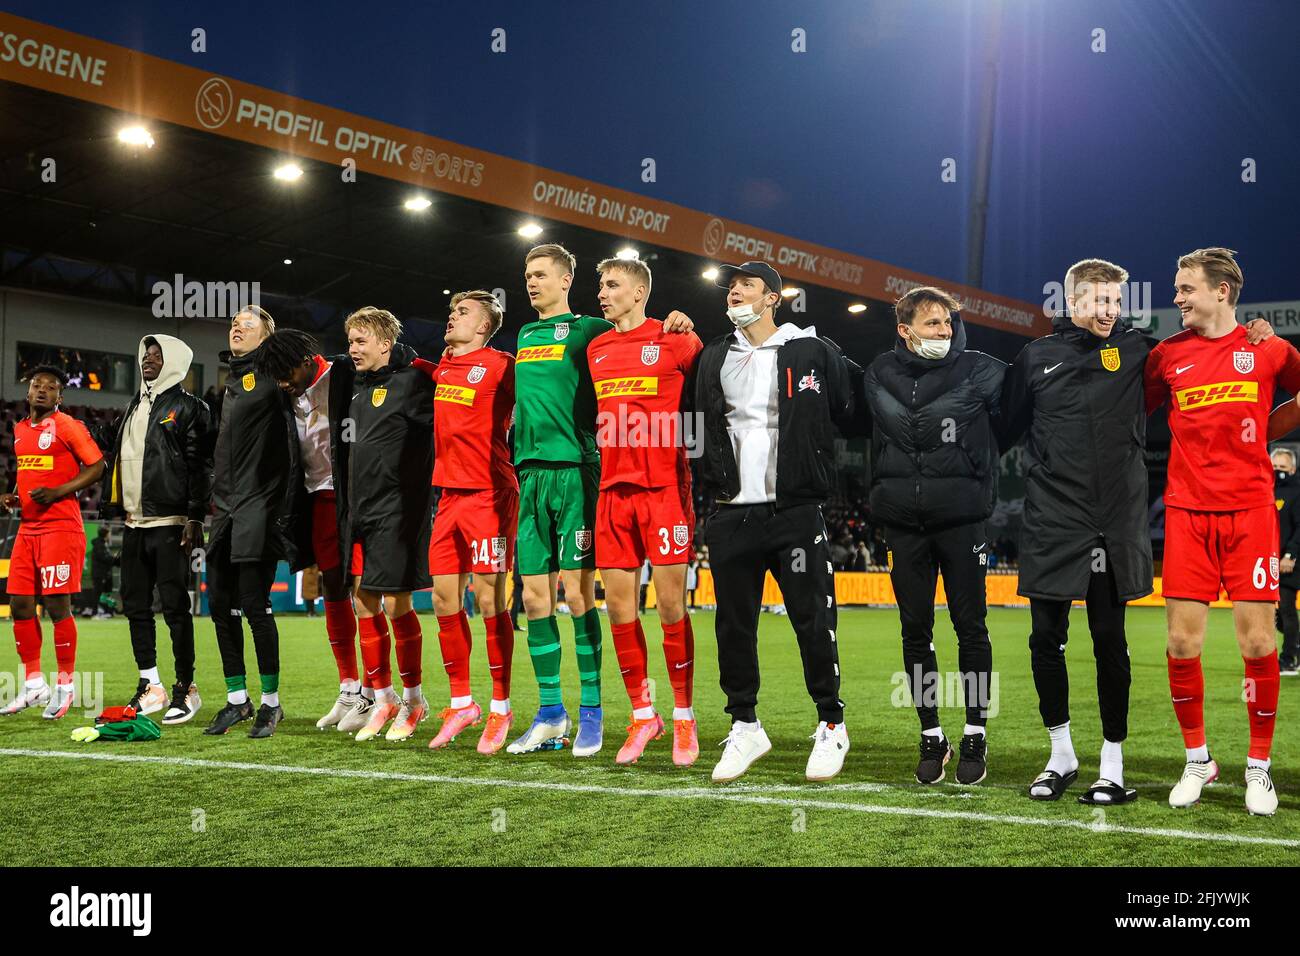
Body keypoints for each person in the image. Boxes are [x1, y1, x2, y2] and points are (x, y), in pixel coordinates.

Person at [1000, 257, 1272, 804]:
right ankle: (1060, 755)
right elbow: (1004, 426)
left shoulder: (1142, 350)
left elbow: (1207, 354)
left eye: (1116, 302)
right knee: (1044, 640)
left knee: (1109, 640)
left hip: (1112, 519)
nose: (1109, 311)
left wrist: (1255, 333)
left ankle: (1113, 764)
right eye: (1100, 301)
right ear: (1071, 301)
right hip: (1053, 518)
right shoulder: (1034, 357)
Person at [506, 243, 694, 755]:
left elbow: (665, 351)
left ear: (565, 281)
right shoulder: (524, 335)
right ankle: (550, 713)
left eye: (541, 274)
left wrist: (678, 319)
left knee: (580, 594)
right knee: (533, 597)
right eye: (527, 274)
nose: (531, 282)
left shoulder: (591, 330)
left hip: (583, 473)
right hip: (531, 475)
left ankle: (597, 711)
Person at [695, 260, 864, 783]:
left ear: (774, 298)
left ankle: (831, 723)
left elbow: (856, 411)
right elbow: (695, 423)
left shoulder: (811, 350)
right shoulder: (713, 355)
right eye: (731, 286)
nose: (734, 291)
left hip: (793, 510)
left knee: (813, 621)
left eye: (747, 285)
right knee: (733, 625)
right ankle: (745, 726)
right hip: (730, 512)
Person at [1148, 247, 1300, 816]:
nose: (1178, 297)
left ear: (1222, 292)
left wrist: (1261, 432)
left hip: (1252, 513)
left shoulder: (1268, 349)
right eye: (1177, 286)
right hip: (1187, 512)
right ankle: (1198, 761)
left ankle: (1258, 770)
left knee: (1258, 642)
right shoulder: (1166, 356)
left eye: (1186, 287)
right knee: (1182, 643)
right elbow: (1127, 411)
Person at [865, 286, 1002, 785]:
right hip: (903, 523)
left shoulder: (981, 368)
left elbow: (1017, 413)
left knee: (972, 628)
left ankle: (975, 733)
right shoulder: (880, 371)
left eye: (947, 323)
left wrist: (974, 465)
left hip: (963, 517)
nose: (944, 332)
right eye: (931, 324)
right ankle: (930, 734)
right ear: (905, 330)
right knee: (915, 632)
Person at [588, 256, 704, 766]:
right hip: (613, 492)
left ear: (639, 292)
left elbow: (713, 393)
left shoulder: (678, 341)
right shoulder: (596, 348)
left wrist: (687, 321)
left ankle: (683, 717)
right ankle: (642, 716)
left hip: (664, 491)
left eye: (612, 285)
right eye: (600, 285)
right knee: (618, 608)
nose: (603, 293)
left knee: (672, 606)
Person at [255, 327, 374, 733]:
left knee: (367, 590)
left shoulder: (345, 374)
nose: (282, 383)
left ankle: (378, 692)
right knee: (333, 588)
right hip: (315, 499)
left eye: (286, 373)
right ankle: (349, 687)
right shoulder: (285, 394)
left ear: (308, 362)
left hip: (356, 497)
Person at [98, 334, 211, 725]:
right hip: (133, 521)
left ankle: (186, 688)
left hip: (170, 521)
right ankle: (151, 684)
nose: (148, 360)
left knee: (176, 608)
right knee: (135, 605)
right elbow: (110, 446)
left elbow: (200, 465)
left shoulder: (190, 407)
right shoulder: (134, 404)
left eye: (157, 355)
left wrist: (195, 516)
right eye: (146, 354)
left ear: (176, 360)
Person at [425, 290, 519, 754]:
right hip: (448, 497)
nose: (452, 317)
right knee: (444, 598)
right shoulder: (442, 366)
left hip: (490, 494)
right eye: (451, 311)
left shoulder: (504, 365)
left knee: (488, 599)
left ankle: (500, 707)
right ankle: (462, 703)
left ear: (484, 325)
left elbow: (545, 389)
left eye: (462, 313)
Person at [203, 307, 301, 739]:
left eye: (248, 324)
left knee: (256, 608)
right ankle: (237, 700)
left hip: (258, 509)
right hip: (224, 511)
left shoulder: (274, 377)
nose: (236, 328)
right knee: (221, 607)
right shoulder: (232, 382)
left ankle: (271, 705)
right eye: (233, 324)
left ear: (267, 338)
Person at [343, 307, 436, 743]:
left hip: (399, 510)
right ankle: (383, 699)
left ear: (385, 343)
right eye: (350, 341)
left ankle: (415, 700)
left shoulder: (415, 382)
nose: (353, 349)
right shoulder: (358, 389)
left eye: (361, 341)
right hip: (359, 511)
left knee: (398, 606)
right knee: (364, 605)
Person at [0, 365, 105, 719]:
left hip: (61, 527)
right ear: (28, 393)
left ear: (61, 396)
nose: (42, 390)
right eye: (36, 386)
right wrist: (15, 495)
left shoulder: (68, 426)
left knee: (58, 607)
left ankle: (65, 687)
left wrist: (58, 492)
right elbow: (29, 471)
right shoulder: (19, 430)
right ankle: (33, 685)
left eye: (51, 387)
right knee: (19, 605)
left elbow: (97, 466)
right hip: (29, 529)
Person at [1272, 447, 1300, 675]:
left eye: (1282, 467)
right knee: (1277, 614)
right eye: (1275, 467)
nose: (1278, 471)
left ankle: (1289, 658)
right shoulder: (1265, 490)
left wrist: (1290, 555)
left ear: (1292, 468)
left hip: (1290, 561)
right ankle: (1295, 642)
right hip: (1269, 561)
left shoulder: (1298, 491)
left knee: (1287, 609)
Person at [90, 527, 116, 619]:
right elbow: (103, 558)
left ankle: (106, 611)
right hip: (99, 574)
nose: (110, 535)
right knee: (97, 593)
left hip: (103, 573)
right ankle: (95, 613)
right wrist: (114, 559)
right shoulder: (99, 545)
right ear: (106, 534)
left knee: (105, 593)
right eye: (109, 533)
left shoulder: (103, 544)